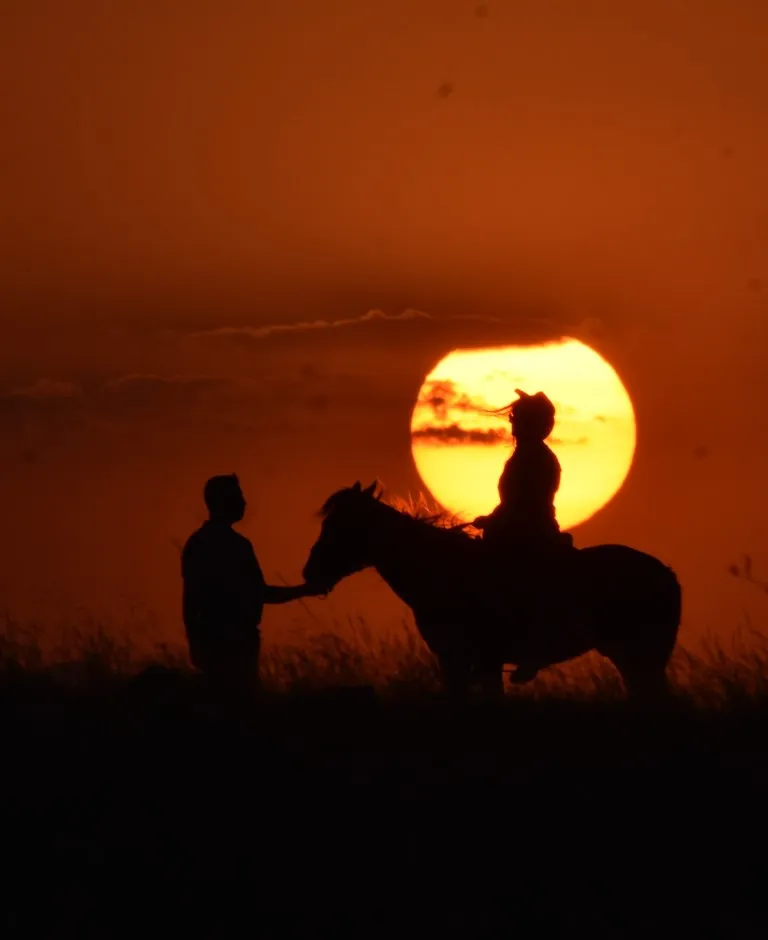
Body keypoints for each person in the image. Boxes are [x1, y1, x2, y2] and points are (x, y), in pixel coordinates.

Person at [181, 473, 328, 697]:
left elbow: (190, 600)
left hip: (217, 641)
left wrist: (195, 641)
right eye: (238, 497)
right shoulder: (237, 546)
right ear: (224, 502)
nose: (244, 503)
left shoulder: (198, 543)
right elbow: (261, 593)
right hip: (235, 643)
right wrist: (305, 590)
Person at [472, 390, 574, 684]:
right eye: (514, 417)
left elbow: (524, 504)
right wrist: (491, 518)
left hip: (531, 534)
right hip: (519, 530)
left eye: (519, 418)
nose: (512, 422)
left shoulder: (535, 458)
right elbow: (512, 502)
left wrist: (494, 520)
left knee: (506, 585)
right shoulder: (527, 455)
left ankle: (526, 647)